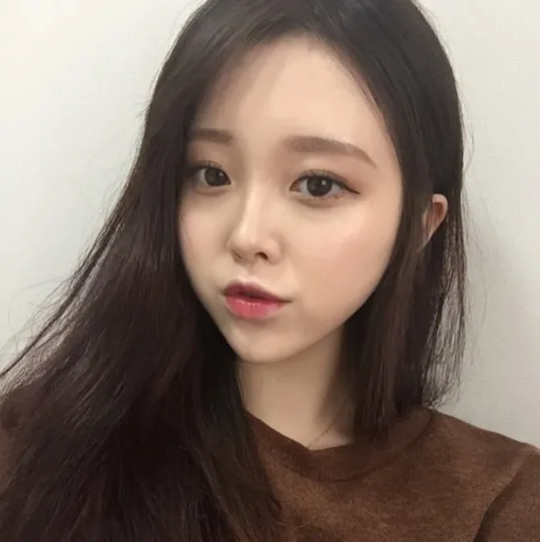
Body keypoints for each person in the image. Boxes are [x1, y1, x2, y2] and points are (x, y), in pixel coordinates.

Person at [0, 0, 538, 540]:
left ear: (420, 225)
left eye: (318, 185)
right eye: (211, 174)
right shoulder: (34, 454)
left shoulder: (500, 503)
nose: (247, 236)